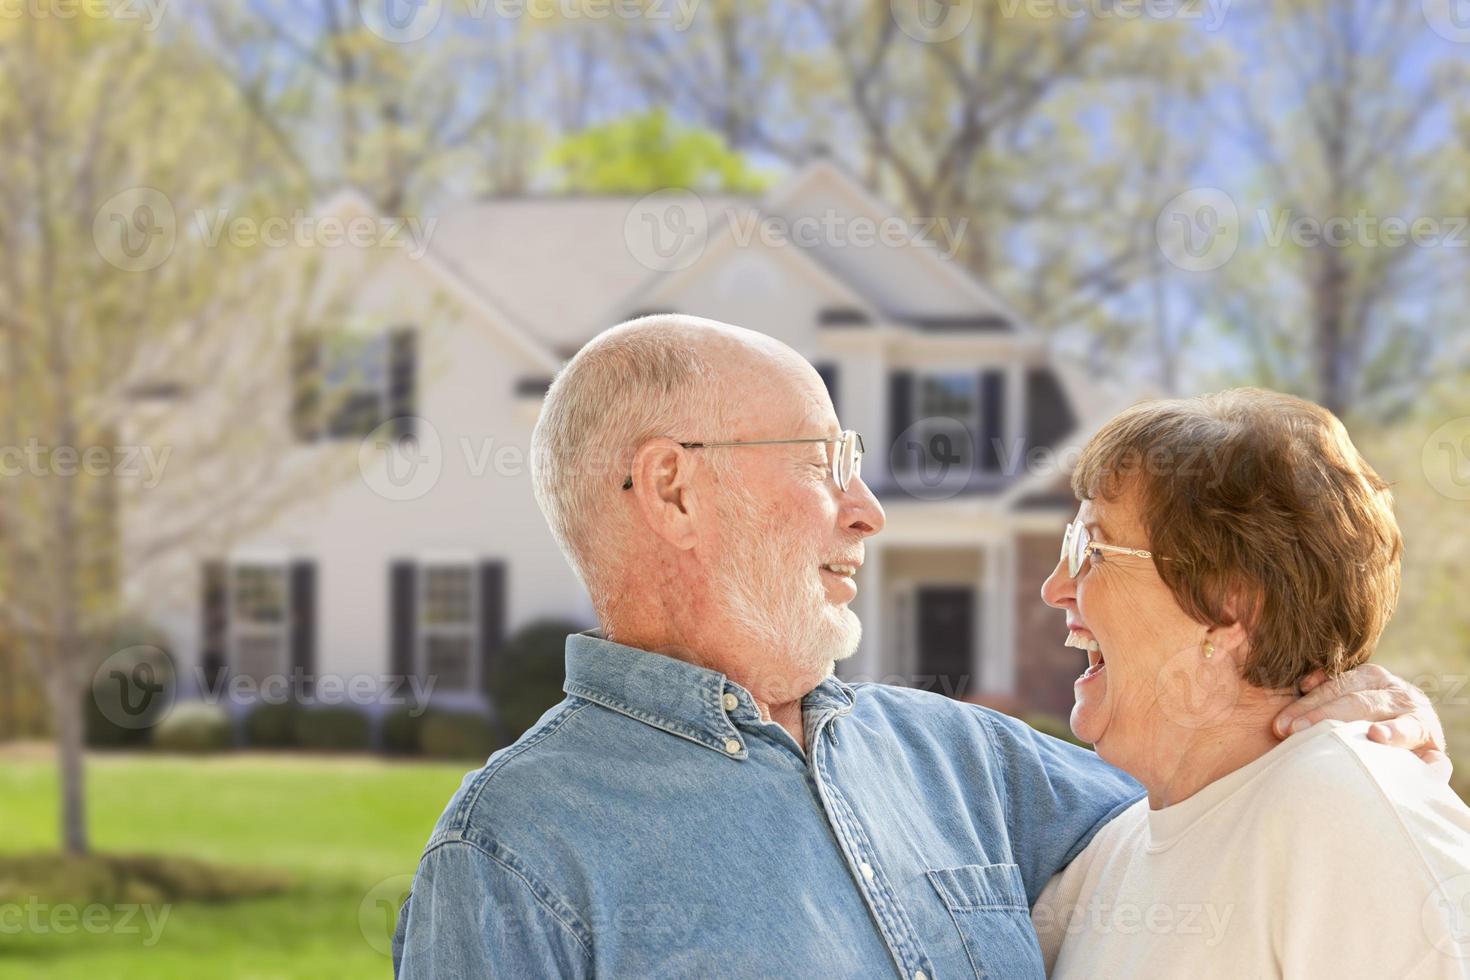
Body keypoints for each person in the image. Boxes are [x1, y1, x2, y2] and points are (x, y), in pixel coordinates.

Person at [392, 315, 1447, 979]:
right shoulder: (509, 861)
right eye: (824, 459)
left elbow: (1222, 789)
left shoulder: (966, 762)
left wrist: (1335, 686)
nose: (869, 508)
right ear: (674, 486)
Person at [1033, 388, 1470, 978]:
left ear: (1228, 603)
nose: (1055, 586)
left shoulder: (1345, 813)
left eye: (1091, 548)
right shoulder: (1108, 855)